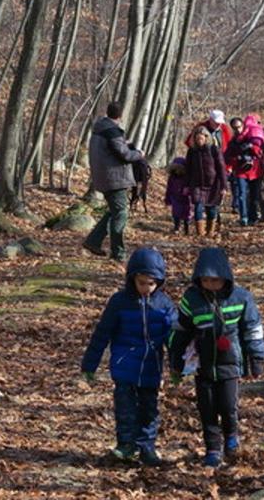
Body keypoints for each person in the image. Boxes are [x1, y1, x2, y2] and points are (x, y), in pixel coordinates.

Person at [168, 246, 264, 468]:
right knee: (207, 408)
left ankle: (231, 437)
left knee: (228, 405)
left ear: (226, 277)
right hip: (203, 364)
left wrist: (257, 358)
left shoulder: (241, 298)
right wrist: (176, 361)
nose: (211, 284)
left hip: (230, 362)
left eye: (216, 280)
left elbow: (253, 328)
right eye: (206, 280)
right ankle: (213, 448)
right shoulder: (191, 299)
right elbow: (180, 331)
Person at [80, 247, 177, 467]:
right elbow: (102, 333)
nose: (146, 288)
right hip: (124, 364)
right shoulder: (119, 302)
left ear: (159, 282)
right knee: (125, 406)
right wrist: (90, 364)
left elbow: (175, 337)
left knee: (149, 407)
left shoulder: (164, 304)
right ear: (132, 279)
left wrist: (178, 366)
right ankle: (126, 444)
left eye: (151, 284)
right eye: (141, 282)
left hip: (151, 365)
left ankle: (147, 447)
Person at [82, 102, 145, 260]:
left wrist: (124, 143)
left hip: (105, 177)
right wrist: (138, 153)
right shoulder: (112, 131)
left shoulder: (100, 128)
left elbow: (114, 149)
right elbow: (124, 154)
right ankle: (118, 253)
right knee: (121, 214)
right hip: (114, 178)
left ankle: (93, 241)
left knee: (114, 211)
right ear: (120, 116)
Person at [225, 114, 264, 226]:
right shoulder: (233, 142)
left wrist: (251, 147)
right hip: (240, 171)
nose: (237, 129)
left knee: (253, 195)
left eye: (239, 126)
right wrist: (238, 159)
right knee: (242, 195)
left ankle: (253, 217)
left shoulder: (253, 137)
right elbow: (227, 158)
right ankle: (244, 217)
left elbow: (260, 153)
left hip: (255, 171)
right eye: (235, 128)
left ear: (243, 125)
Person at [185, 125, 226, 236]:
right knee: (198, 206)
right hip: (197, 184)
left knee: (211, 209)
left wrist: (223, 186)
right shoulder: (192, 151)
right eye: (197, 139)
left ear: (206, 138)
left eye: (201, 138)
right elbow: (188, 169)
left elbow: (221, 168)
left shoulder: (214, 150)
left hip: (213, 184)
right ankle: (200, 233)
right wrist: (186, 185)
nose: (199, 141)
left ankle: (210, 231)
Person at [165, 157, 191, 234]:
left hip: (185, 198)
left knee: (187, 214)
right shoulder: (172, 177)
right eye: (175, 168)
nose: (177, 170)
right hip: (175, 197)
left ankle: (186, 229)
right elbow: (169, 188)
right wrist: (168, 199)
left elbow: (190, 186)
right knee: (176, 213)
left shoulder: (187, 177)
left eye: (179, 168)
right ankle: (177, 227)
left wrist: (189, 192)